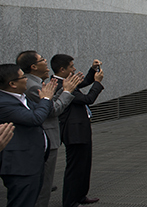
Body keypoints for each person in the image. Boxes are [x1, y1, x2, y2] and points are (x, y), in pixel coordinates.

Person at [16, 51, 82, 207]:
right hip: (44, 140)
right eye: (42, 60)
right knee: (43, 187)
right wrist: (67, 91)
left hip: (44, 139)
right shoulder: (32, 86)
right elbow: (52, 110)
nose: (46, 63)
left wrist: (63, 89)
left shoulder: (37, 82)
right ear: (33, 66)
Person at [51, 54, 104, 207]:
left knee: (84, 165)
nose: (74, 69)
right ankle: (70, 201)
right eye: (71, 67)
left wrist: (92, 70)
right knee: (75, 168)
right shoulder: (60, 86)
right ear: (62, 69)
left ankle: (80, 196)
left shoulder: (66, 81)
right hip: (74, 133)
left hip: (81, 130)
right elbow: (88, 99)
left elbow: (83, 82)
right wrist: (97, 83)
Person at [0, 63, 57, 207]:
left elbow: (39, 112)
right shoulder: (4, 103)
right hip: (20, 166)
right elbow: (35, 118)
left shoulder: (21, 97)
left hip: (34, 161)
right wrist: (46, 99)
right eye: (23, 77)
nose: (27, 79)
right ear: (12, 83)